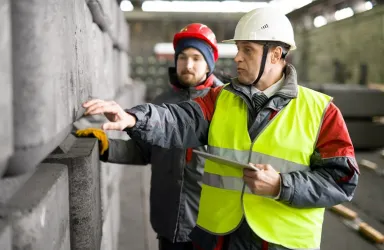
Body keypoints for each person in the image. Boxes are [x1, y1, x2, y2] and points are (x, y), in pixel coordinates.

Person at [82, 7, 359, 250]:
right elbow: (179, 119)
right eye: (238, 49)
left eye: (247, 50)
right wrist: (134, 118)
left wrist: (281, 186)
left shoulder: (321, 112)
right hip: (220, 238)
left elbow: (342, 180)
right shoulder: (221, 99)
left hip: (280, 244)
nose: (237, 58)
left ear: (276, 55)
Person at [76, 23, 223, 250]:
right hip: (168, 225)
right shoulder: (161, 102)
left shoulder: (225, 105)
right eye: (182, 57)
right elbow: (146, 151)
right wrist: (107, 147)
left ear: (209, 64)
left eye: (196, 57)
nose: (188, 65)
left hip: (210, 230)